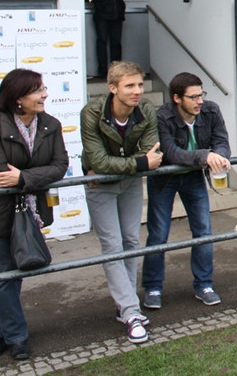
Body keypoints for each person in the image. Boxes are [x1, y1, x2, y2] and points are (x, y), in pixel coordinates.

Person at [0, 69, 68, 361]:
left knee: (12, 274)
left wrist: (23, 177)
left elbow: (59, 166)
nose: (45, 95)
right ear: (18, 98)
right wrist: (30, 176)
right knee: (6, 273)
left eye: (44, 88)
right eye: (38, 90)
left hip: (27, 210)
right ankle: (17, 337)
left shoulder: (51, 125)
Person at [81, 61, 162, 345]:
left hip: (130, 183)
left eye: (140, 84)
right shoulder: (92, 112)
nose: (138, 91)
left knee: (130, 241)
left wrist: (134, 163)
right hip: (100, 185)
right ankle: (131, 313)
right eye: (130, 86)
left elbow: (152, 153)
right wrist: (139, 163)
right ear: (113, 88)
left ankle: (125, 305)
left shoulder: (146, 109)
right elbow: (98, 161)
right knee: (113, 247)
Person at [142, 72, 230, 311]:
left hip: (193, 176)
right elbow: (171, 153)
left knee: (203, 231)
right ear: (177, 98)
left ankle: (204, 284)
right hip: (165, 179)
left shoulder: (211, 110)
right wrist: (205, 155)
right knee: (158, 234)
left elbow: (221, 141)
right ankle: (152, 287)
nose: (200, 101)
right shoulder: (162, 116)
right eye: (193, 97)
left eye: (201, 95)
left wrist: (220, 156)